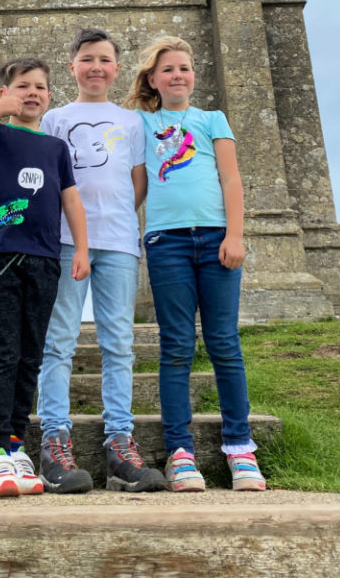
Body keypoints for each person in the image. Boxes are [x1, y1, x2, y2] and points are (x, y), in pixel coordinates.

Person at [124, 36, 266, 493]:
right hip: (166, 243)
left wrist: (236, 234)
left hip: (215, 240)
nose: (177, 75)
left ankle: (240, 449)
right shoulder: (142, 125)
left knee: (224, 343)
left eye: (184, 68)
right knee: (177, 346)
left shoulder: (211, 119)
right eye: (168, 70)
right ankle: (180, 453)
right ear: (152, 79)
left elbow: (230, 177)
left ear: (193, 75)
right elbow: (138, 187)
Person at [0, 57, 89, 498]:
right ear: (5, 92)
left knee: (30, 356)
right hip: (1, 257)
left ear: (50, 96)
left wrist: (81, 249)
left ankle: (15, 444)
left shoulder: (54, 148)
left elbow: (72, 202)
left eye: (40, 87)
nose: (32, 93)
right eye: (22, 86)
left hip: (45, 260)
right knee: (2, 352)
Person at [37, 28, 166, 493]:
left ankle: (120, 445)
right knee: (59, 341)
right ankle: (53, 441)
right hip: (65, 242)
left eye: (105, 59)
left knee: (119, 344)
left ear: (116, 67)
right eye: (87, 59)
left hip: (118, 243)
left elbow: (138, 182)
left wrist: (111, 221)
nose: (96, 67)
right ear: (72, 66)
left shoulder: (130, 122)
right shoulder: (55, 118)